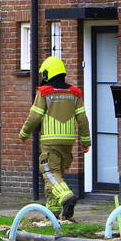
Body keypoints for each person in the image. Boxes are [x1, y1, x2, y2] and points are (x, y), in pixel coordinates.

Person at [19, 56, 91, 221]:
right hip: (68, 140)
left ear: (47, 73)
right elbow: (83, 119)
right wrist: (85, 142)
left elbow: (35, 117)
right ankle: (53, 213)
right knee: (56, 176)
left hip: (50, 140)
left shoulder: (44, 92)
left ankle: (66, 197)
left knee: (50, 173)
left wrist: (24, 133)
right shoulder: (75, 93)